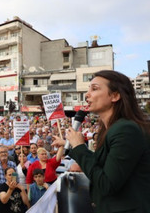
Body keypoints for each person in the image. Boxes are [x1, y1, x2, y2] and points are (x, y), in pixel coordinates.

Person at [53, 70, 150, 212]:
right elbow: (105, 167)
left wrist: (79, 147)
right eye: (88, 89)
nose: (87, 95)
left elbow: (107, 184)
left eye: (95, 88)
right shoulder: (111, 129)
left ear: (115, 96)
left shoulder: (126, 130)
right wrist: (74, 148)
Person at [0, 146, 17, 212]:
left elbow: (16, 178)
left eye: (5, 152)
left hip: (11, 195)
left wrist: (7, 188)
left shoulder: (13, 164)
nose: (3, 154)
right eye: (1, 152)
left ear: (8, 153)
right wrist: (4, 188)